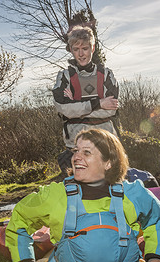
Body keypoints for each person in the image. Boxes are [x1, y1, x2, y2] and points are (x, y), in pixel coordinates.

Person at [6, 128, 160, 262]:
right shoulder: (55, 196)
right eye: (75, 151)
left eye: (86, 152)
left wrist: (156, 258)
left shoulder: (132, 193)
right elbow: (20, 218)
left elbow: (157, 218)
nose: (76, 157)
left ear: (108, 162)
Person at [52, 25, 120, 174]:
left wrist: (76, 108)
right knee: (77, 191)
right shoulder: (64, 77)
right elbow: (63, 108)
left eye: (85, 48)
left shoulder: (107, 75)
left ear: (93, 47)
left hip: (106, 142)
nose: (81, 54)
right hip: (74, 146)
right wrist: (99, 103)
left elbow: (111, 110)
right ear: (71, 50)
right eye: (76, 49)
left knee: (111, 186)